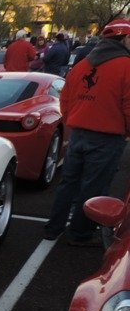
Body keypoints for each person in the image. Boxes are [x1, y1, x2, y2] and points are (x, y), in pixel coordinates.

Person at [43, 19, 130, 246]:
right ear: (125, 39)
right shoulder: (126, 66)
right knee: (94, 187)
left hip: (79, 133)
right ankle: (80, 234)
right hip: (107, 137)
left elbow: (65, 99)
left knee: (68, 183)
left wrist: (72, 121)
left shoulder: (82, 65)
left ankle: (53, 227)